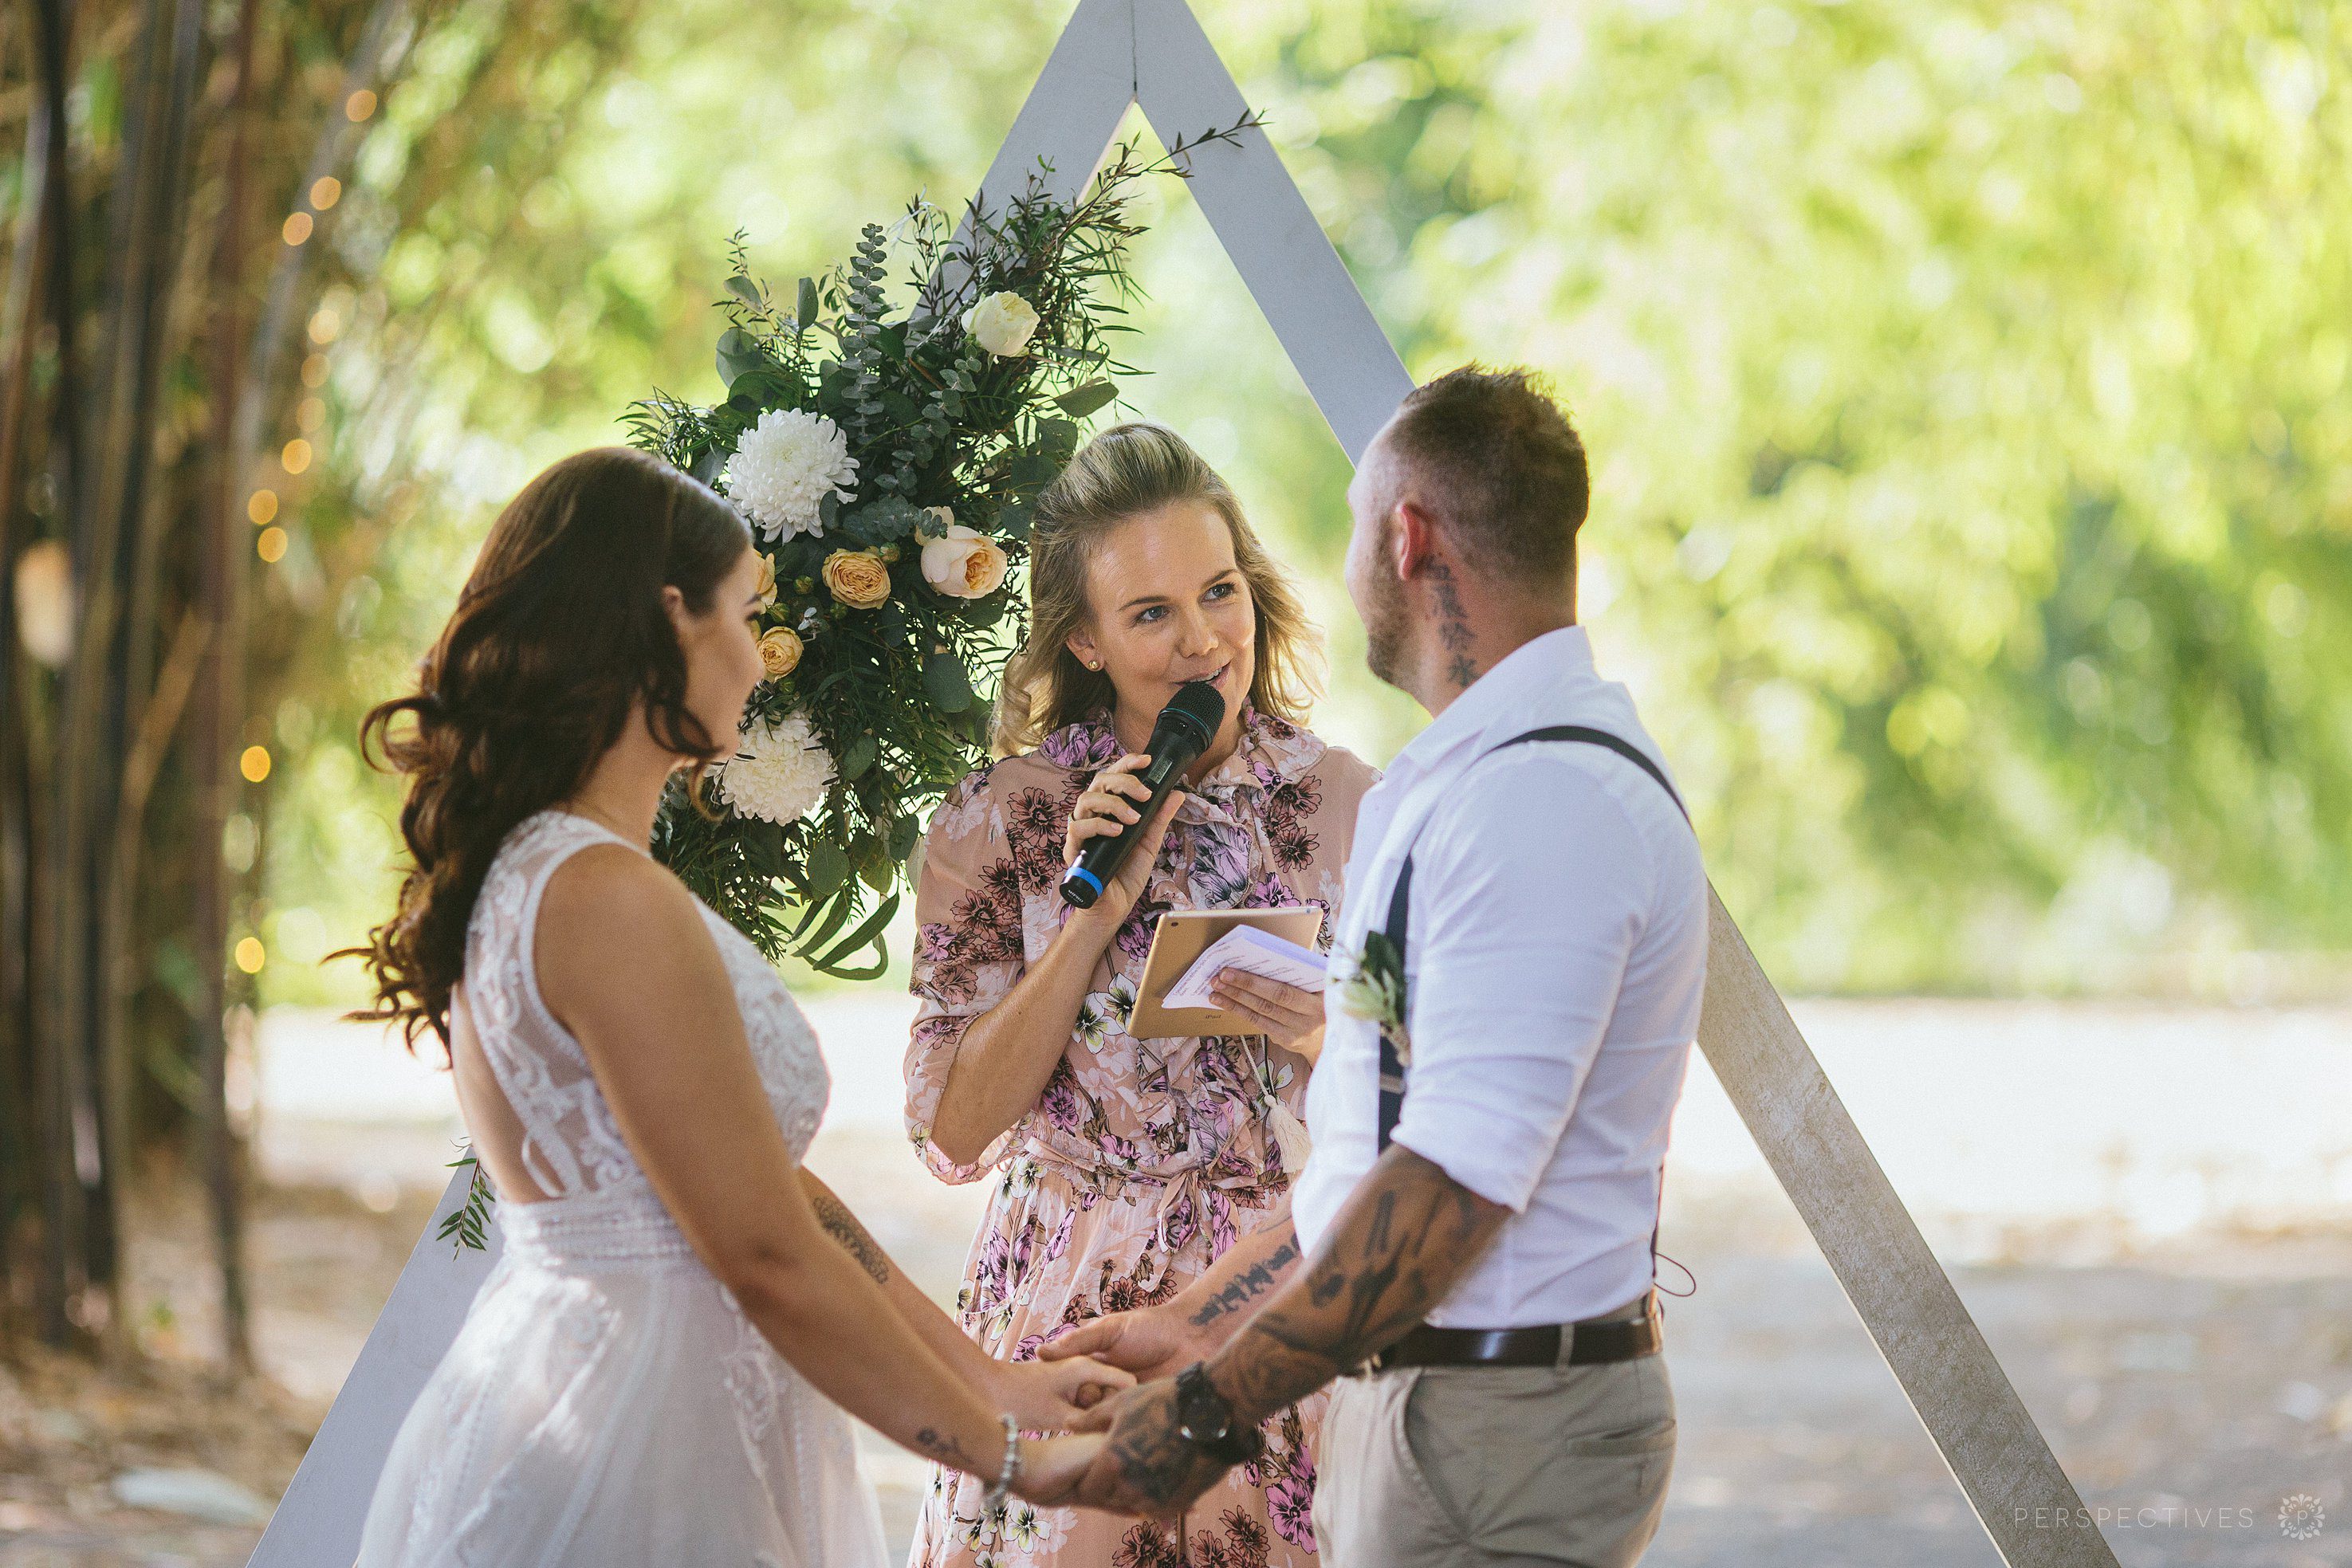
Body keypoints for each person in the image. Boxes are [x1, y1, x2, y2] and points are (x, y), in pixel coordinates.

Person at [343, 448, 1127, 1567]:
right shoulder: (604, 899)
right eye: (747, 613)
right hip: (638, 1454)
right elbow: (763, 1255)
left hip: (621, 1395)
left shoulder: (547, 868)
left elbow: (775, 1194)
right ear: (670, 618)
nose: (760, 662)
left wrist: (989, 1376)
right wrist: (1008, 1456)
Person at [1052, 368, 1711, 1568]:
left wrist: (1203, 1415)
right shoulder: (1477, 780)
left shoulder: (1541, 800)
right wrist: (1196, 1327)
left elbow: (1449, 1193)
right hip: (1436, 1403)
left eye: (1359, 522)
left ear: (1407, 538)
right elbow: (1381, 1142)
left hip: (1496, 1430)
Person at [903, 423, 1380, 1568]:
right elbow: (952, 1132)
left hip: (1277, 1289)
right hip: (1073, 1299)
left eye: (1219, 593)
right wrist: (1090, 922)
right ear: (1086, 639)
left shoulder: (1354, 805)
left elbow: (1439, 1090)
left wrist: (1323, 1028)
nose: (1203, 642)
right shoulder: (1000, 821)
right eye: (1151, 613)